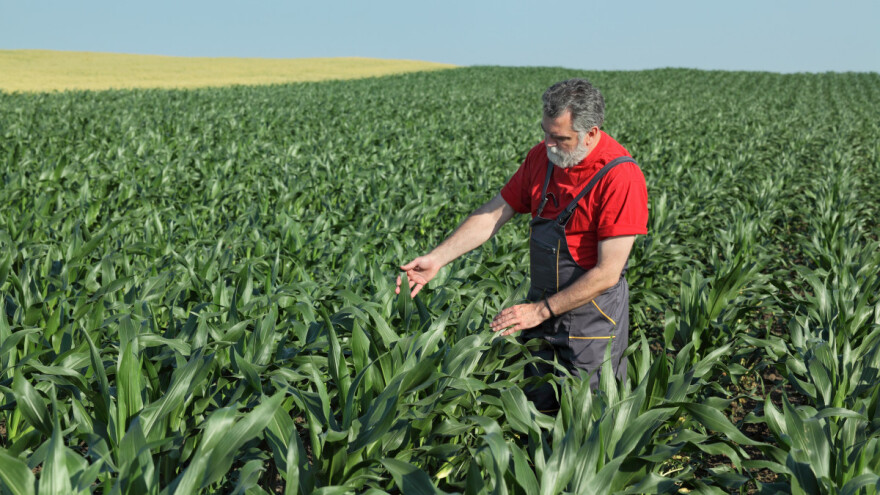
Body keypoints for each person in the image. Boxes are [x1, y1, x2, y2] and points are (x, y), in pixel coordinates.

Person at [395, 78, 648, 412]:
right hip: (542, 315)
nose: (549, 145)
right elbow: (493, 214)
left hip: (592, 324)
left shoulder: (619, 177)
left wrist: (538, 311)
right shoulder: (542, 159)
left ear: (591, 133)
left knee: (588, 423)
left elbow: (607, 273)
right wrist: (437, 258)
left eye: (561, 138)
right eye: (545, 133)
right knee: (536, 412)